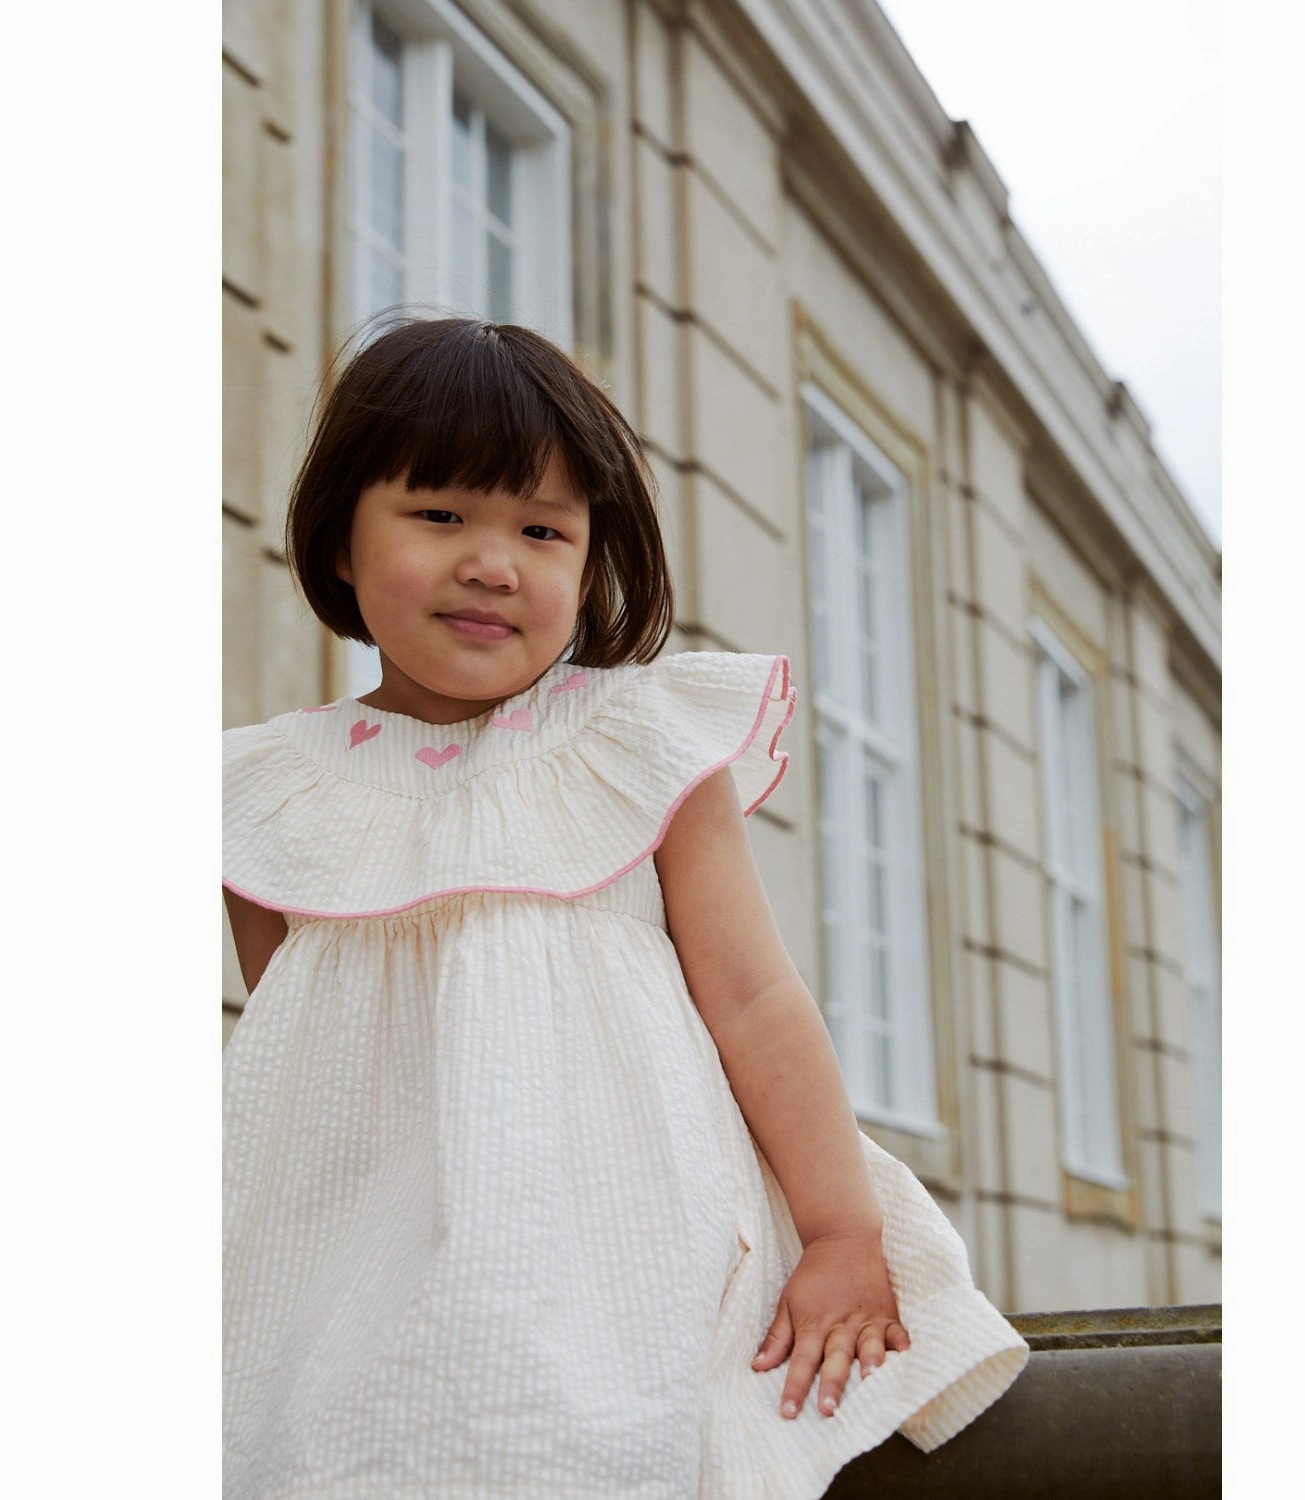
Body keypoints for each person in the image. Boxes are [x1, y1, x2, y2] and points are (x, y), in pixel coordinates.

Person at [223, 316, 1027, 1499]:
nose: (493, 562)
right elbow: (295, 1065)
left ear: (591, 559)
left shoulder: (635, 747)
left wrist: (844, 1230)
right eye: (440, 515)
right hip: (350, 1252)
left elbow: (755, 1000)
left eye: (542, 530)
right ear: (340, 538)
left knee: (586, 1436)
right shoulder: (272, 795)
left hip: (615, 1227)